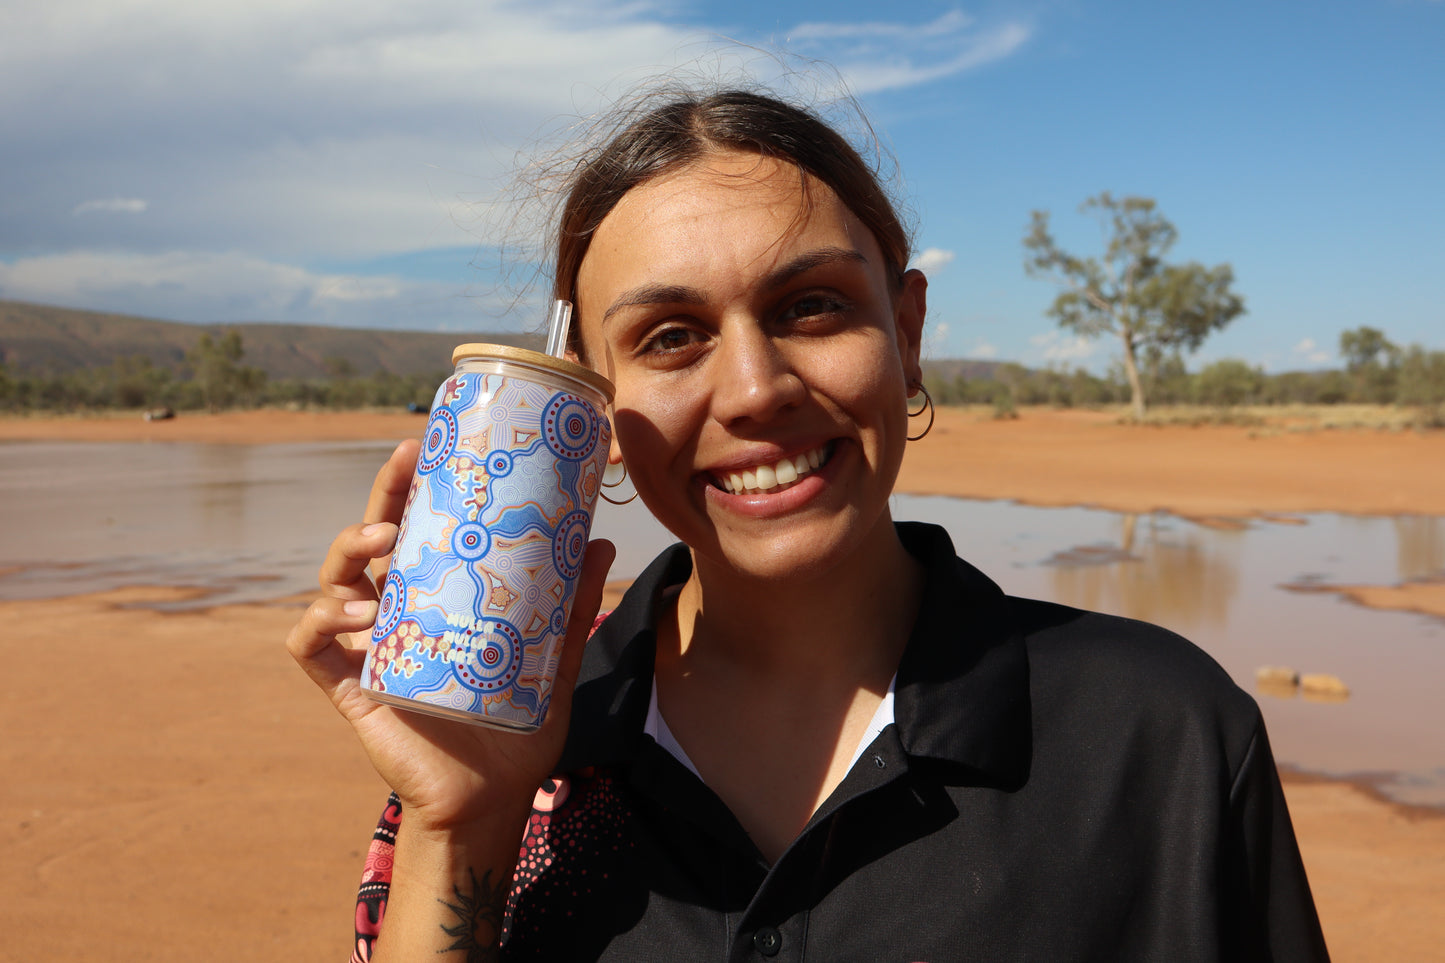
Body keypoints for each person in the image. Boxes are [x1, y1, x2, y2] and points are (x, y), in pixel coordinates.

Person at [287, 87, 1330, 962]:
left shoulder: (1156, 735)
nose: (753, 389)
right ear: (598, 407)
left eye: (812, 308)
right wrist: (460, 820)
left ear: (906, 332)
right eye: (670, 336)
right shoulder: (527, 754)